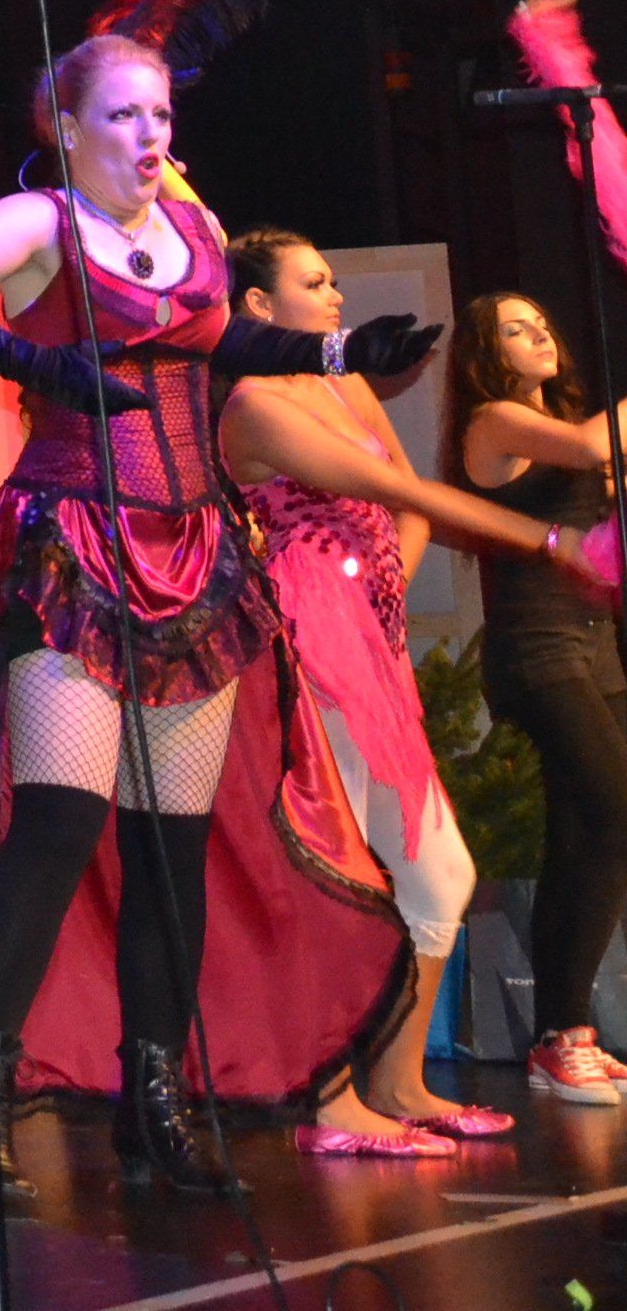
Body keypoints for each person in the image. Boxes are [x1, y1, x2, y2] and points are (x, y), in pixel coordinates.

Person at [0, 32, 437, 1202]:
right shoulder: (39, 225)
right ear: (68, 127)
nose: (150, 136)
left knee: (171, 854)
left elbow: (224, 338)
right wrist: (42, 367)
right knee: (60, 825)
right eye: (124, 115)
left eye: (162, 115)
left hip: (197, 549)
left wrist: (342, 349)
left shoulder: (192, 230)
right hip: (75, 543)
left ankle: (154, 1104)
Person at [221, 231, 571, 1151]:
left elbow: (406, 504)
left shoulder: (344, 385)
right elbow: (377, 483)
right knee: (332, 873)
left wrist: (381, 593)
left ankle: (399, 1081)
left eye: (333, 278)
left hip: (364, 643)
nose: (335, 293)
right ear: (257, 306)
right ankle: (326, 1098)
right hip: (304, 644)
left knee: (441, 873)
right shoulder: (253, 401)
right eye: (314, 282)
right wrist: (546, 540)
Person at [442, 289, 627, 1104]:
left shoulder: (572, 426)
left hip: (595, 646)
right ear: (487, 354)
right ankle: (562, 1035)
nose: (539, 335)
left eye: (543, 324)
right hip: (537, 650)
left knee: (586, 835)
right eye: (517, 330)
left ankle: (563, 1036)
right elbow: (590, 445)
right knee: (615, 811)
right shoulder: (493, 422)